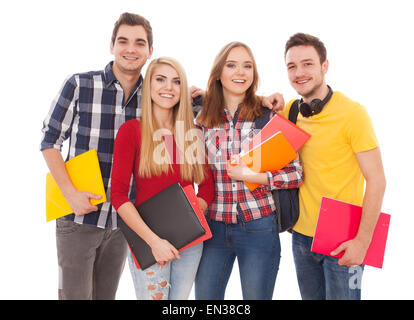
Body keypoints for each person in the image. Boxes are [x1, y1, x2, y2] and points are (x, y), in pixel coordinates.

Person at [40, 12, 154, 300]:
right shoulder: (79, 85)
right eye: (123, 41)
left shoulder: (154, 96)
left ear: (150, 51)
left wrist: (199, 92)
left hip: (121, 222)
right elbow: (49, 140)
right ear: (111, 45)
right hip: (78, 217)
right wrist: (70, 193)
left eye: (139, 43)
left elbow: (199, 110)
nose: (131, 49)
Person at [194, 41, 304, 300]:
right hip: (213, 228)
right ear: (218, 72)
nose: (240, 72)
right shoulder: (201, 115)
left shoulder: (268, 117)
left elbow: (296, 173)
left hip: (258, 228)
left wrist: (256, 177)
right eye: (231, 65)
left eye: (247, 66)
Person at [282, 33, 386, 300]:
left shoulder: (353, 114)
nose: (299, 73)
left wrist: (362, 242)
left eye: (307, 64)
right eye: (292, 66)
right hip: (301, 236)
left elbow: (377, 180)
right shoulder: (292, 111)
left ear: (324, 66)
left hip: (343, 237)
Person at [110, 57, 214, 300]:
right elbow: (118, 195)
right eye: (160, 79)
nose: (168, 87)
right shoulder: (132, 131)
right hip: (148, 239)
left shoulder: (194, 133)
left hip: (190, 241)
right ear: (148, 87)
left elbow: (207, 188)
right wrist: (154, 241)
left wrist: (187, 221)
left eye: (176, 81)